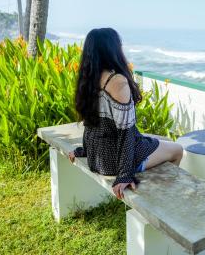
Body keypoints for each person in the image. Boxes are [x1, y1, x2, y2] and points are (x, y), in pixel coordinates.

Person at [68, 28, 183, 200]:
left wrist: (84, 150)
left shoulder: (89, 78)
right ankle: (164, 198)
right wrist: (124, 175)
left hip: (96, 155)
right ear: (112, 49)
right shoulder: (117, 81)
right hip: (113, 161)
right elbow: (126, 133)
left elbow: (89, 122)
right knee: (178, 149)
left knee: (163, 140)